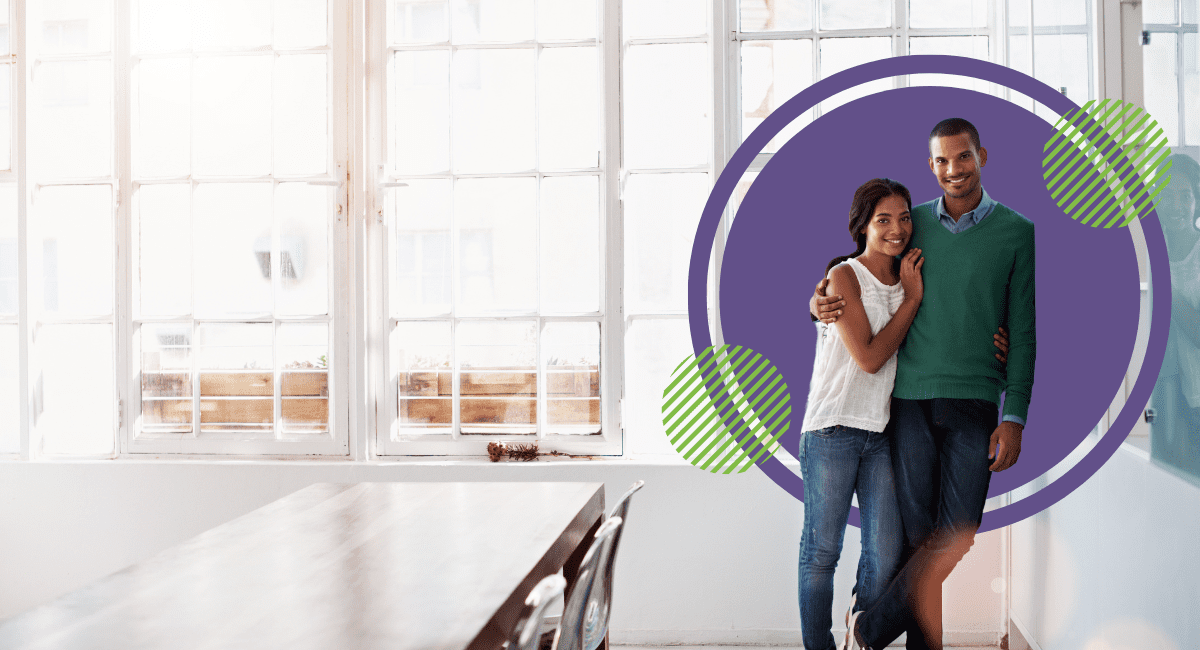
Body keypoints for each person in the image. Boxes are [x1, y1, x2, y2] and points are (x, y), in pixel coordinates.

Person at [811, 118, 1036, 650]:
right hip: (907, 399)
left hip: (975, 399)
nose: (953, 170)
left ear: (982, 155)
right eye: (941, 161)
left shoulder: (1017, 231)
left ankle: (870, 626)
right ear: (930, 164)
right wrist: (816, 303)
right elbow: (851, 271)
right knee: (917, 541)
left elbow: (1023, 329)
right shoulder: (912, 227)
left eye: (963, 158)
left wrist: (1015, 413)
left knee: (956, 532)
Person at [796, 178, 921, 650]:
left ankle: (859, 632)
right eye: (883, 220)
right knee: (822, 553)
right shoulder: (844, 276)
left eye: (904, 218)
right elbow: (868, 358)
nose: (896, 229)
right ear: (863, 226)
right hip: (832, 430)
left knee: (885, 554)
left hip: (881, 431)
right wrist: (910, 300)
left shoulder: (912, 272)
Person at [1150, 153, 1200, 477]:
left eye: (1186, 196)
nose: (1177, 205)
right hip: (1161, 393)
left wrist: (1166, 293)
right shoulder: (1148, 252)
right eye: (1168, 194)